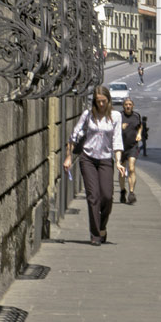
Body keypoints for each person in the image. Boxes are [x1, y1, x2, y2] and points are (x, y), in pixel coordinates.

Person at [63, 85, 124, 246]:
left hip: (105, 159)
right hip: (88, 158)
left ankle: (102, 226)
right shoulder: (88, 115)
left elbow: (117, 140)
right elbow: (74, 136)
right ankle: (95, 234)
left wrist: (118, 161)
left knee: (107, 196)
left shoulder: (116, 116)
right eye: (98, 102)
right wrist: (68, 157)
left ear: (108, 100)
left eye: (104, 101)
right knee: (93, 196)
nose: (101, 105)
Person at [119, 98, 142, 205]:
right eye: (126, 104)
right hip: (120, 147)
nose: (128, 106)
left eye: (130, 104)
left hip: (132, 146)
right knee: (122, 171)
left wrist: (139, 134)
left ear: (133, 105)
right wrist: (120, 127)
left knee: (131, 168)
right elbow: (112, 129)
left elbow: (140, 126)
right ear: (123, 106)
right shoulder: (119, 116)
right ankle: (123, 190)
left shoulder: (137, 116)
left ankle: (131, 192)